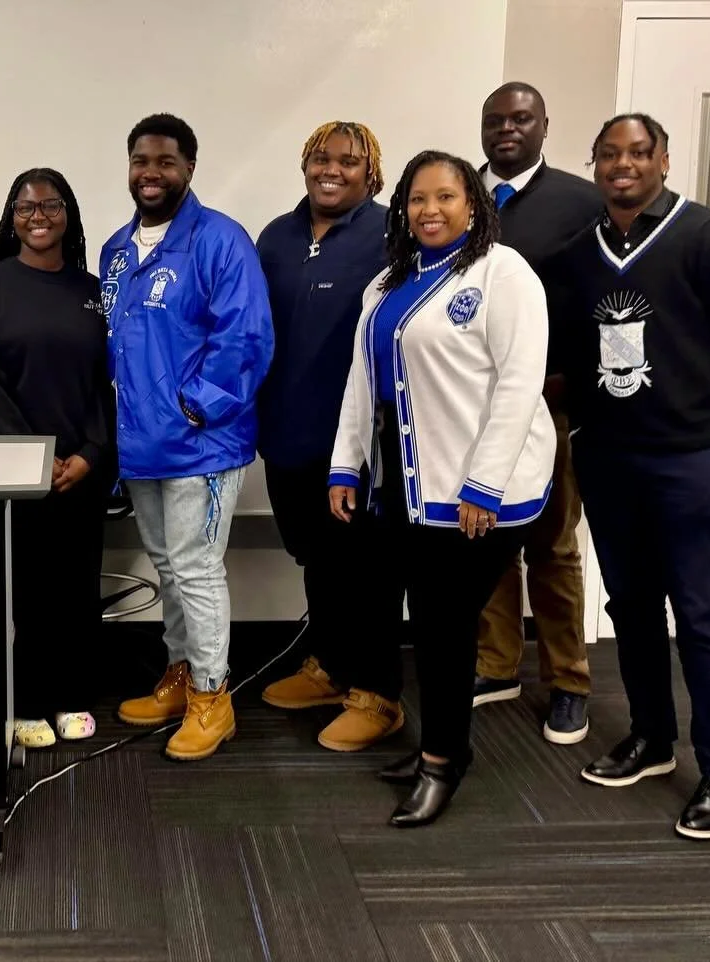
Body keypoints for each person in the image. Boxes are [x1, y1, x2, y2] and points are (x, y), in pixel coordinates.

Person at [546, 114, 710, 839]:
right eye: (609, 155)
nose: (624, 166)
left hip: (694, 462)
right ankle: (652, 739)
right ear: (592, 166)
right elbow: (558, 359)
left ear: (664, 160)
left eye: (639, 152)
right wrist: (584, 430)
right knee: (632, 609)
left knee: (705, 620)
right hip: (611, 460)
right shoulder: (574, 257)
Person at [328, 150, 554, 827]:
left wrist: (483, 484)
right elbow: (361, 383)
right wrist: (346, 466)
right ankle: (440, 744)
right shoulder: (385, 284)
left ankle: (442, 761)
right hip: (408, 489)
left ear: (472, 203)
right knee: (428, 626)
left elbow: (519, 385)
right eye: (417, 199)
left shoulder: (501, 273)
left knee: (445, 628)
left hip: (479, 492)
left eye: (446, 196)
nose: (430, 210)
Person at [101, 114, 274, 761]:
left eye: (165, 162)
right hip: (141, 448)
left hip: (203, 445)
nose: (152, 173)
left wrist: (193, 410)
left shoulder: (220, 241)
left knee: (197, 568)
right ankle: (179, 674)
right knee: (170, 566)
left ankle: (212, 697)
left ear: (189, 168)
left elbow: (246, 339)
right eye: (141, 160)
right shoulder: (117, 250)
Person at [254, 121, 405, 752]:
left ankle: (378, 695)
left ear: (371, 171)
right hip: (285, 433)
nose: (331, 169)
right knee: (317, 557)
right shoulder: (276, 237)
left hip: (357, 442)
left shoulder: (389, 236)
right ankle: (330, 665)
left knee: (367, 567)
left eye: (348, 160)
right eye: (321, 157)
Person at [0, 168, 115, 749]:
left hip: (83, 469)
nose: (39, 216)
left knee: (76, 588)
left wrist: (91, 454)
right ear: (12, 217)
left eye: (51, 205)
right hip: (13, 469)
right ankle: (25, 701)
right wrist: (32, 456)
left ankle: (74, 694)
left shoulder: (92, 291)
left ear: (68, 214)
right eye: (26, 208)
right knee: (21, 591)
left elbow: (108, 383)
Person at [473, 83, 603, 745]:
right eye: (494, 120)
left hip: (550, 405)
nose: (506, 130)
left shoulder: (583, 204)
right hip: (471, 407)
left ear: (544, 125)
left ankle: (569, 681)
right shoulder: (456, 195)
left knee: (552, 546)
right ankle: (497, 665)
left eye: (520, 118)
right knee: (486, 538)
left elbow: (605, 305)